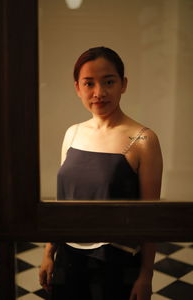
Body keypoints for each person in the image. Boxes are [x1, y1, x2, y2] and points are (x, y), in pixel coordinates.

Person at [39, 46, 163, 300]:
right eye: (89, 83)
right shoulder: (72, 133)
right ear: (77, 88)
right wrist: (48, 253)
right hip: (68, 256)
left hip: (115, 262)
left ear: (123, 84)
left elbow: (151, 217)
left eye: (108, 81)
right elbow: (62, 203)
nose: (99, 93)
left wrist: (146, 275)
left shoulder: (143, 139)